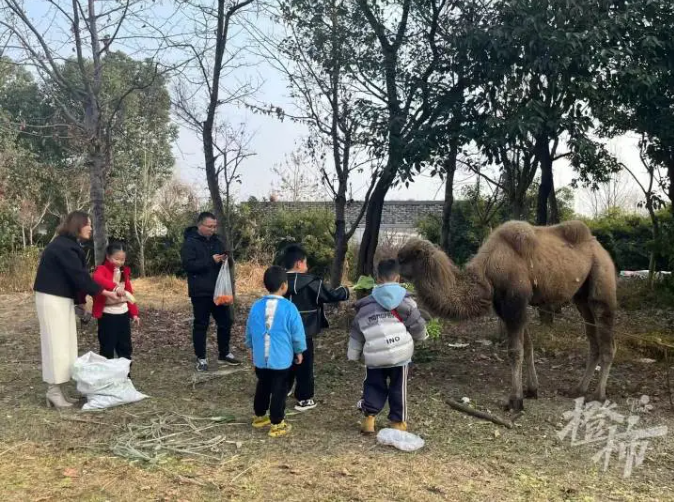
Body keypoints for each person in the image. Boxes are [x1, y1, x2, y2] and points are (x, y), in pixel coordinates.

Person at [33, 211, 125, 409]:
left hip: (60, 298)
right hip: (52, 299)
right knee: (55, 344)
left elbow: (75, 279)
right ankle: (53, 392)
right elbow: (80, 277)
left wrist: (81, 301)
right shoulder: (64, 247)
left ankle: (59, 390)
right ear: (77, 225)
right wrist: (105, 293)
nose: (91, 228)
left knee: (65, 343)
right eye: (88, 224)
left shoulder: (68, 245)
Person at [348, 259, 428, 434]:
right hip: (401, 355)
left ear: (378, 278)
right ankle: (398, 423)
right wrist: (422, 337)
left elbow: (356, 332)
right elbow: (417, 324)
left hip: (375, 356)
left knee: (373, 385)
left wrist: (353, 354)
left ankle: (369, 419)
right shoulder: (407, 302)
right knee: (398, 387)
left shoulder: (365, 306)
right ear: (398, 278)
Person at [281, 243, 350, 411]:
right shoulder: (312, 282)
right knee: (304, 364)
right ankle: (305, 399)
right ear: (299, 263)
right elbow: (331, 295)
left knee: (285, 361)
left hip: (281, 330)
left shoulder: (278, 280)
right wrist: (346, 290)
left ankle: (282, 390)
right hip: (303, 332)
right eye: (305, 262)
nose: (307, 266)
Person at [245, 266, 306, 438]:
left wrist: (250, 348)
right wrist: (299, 351)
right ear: (284, 286)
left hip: (260, 359)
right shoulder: (290, 308)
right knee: (279, 390)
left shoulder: (256, 306)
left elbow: (249, 330)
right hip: (281, 360)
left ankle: (259, 416)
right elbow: (297, 333)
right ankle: (277, 422)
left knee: (262, 385)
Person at [181, 212, 240, 371]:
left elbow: (227, 264)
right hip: (200, 292)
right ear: (200, 225)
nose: (212, 229)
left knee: (225, 322)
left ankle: (224, 353)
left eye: (214, 226)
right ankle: (201, 358)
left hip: (219, 291)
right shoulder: (190, 243)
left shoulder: (218, 241)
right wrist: (210, 261)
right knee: (201, 324)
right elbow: (188, 265)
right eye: (209, 226)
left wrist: (227, 260)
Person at [92, 242, 140, 364]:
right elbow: (97, 279)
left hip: (123, 313)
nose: (119, 262)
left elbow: (129, 293)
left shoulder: (125, 272)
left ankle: (125, 376)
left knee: (125, 346)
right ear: (108, 257)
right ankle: (107, 375)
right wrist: (115, 287)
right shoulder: (101, 269)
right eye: (116, 259)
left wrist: (134, 313)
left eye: (122, 259)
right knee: (107, 346)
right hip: (108, 314)